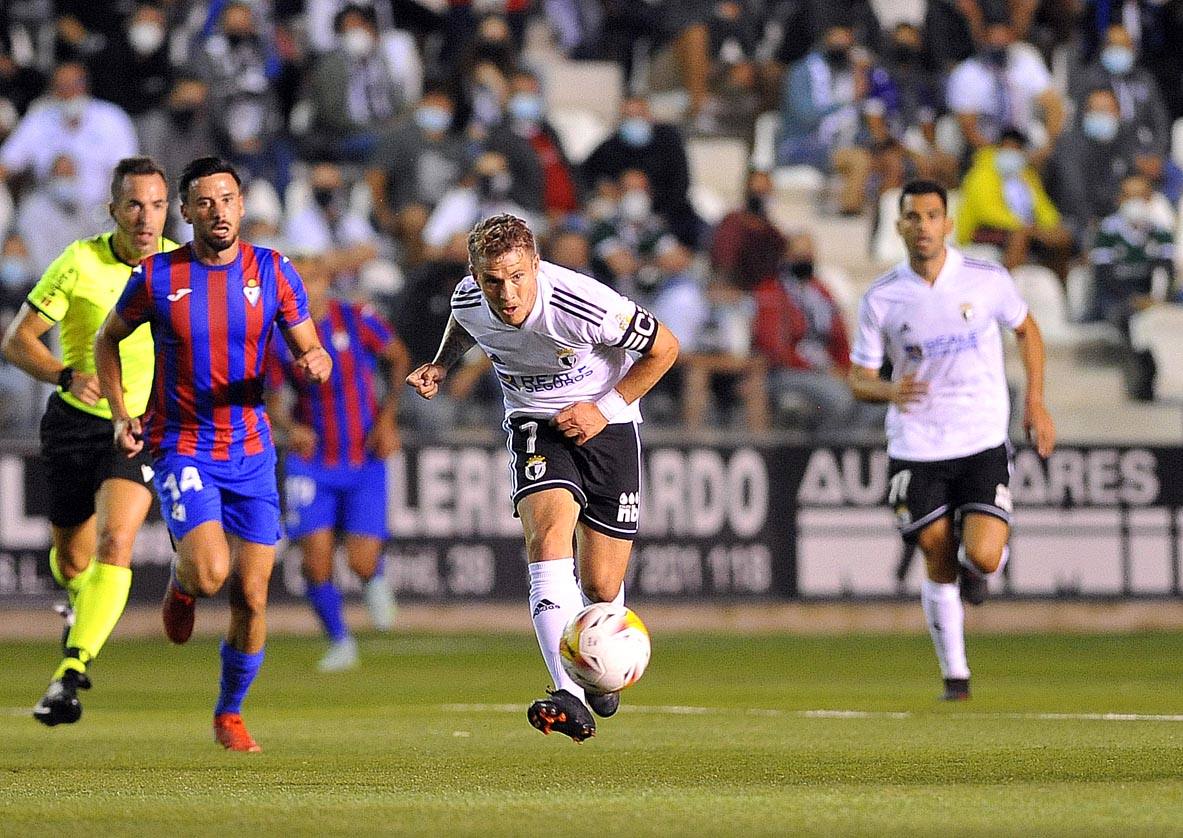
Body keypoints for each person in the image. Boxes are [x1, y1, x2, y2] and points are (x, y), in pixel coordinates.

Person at [406, 214, 679, 741]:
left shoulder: (582, 303)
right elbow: (466, 321)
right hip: (535, 423)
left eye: (516, 277)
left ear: (536, 265)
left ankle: (600, 666)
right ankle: (567, 693)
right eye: (492, 280)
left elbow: (665, 348)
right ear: (475, 274)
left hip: (608, 424)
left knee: (601, 584)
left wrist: (604, 407)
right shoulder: (469, 297)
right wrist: (441, 364)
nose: (505, 293)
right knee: (548, 541)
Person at [94, 157, 332, 752]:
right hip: (181, 446)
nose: (217, 211)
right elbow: (108, 340)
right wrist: (124, 413)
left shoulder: (274, 270)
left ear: (242, 205)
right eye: (204, 203)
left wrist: (315, 364)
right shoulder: (156, 276)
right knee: (209, 573)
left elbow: (312, 349)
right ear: (187, 211)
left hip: (252, 454)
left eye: (227, 200)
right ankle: (183, 585)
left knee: (252, 597)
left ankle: (229, 712)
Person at [848, 180, 1055, 701]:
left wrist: (1035, 402)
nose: (923, 227)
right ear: (898, 226)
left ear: (949, 223)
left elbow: (1027, 331)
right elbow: (858, 377)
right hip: (917, 443)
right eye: (912, 217)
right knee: (935, 553)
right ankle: (956, 677)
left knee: (983, 556)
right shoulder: (882, 297)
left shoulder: (986, 280)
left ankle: (979, 571)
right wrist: (889, 390)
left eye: (932, 216)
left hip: (981, 433)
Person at [0, 156, 173, 726]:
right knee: (72, 559)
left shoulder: (181, 267)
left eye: (156, 205)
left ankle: (71, 671)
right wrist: (64, 374)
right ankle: (78, 607)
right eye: (134, 205)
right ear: (113, 210)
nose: (145, 218)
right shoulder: (79, 261)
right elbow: (17, 340)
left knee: (116, 540)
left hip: (139, 428)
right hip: (74, 423)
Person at [265, 254, 409, 671]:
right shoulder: (278, 337)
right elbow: (273, 400)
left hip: (363, 456)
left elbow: (398, 356)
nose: (305, 287)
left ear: (327, 280)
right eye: (297, 280)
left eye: (312, 278)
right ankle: (340, 641)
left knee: (361, 561)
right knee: (315, 562)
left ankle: (374, 576)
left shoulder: (357, 317)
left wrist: (388, 418)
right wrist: (291, 429)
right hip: (312, 463)